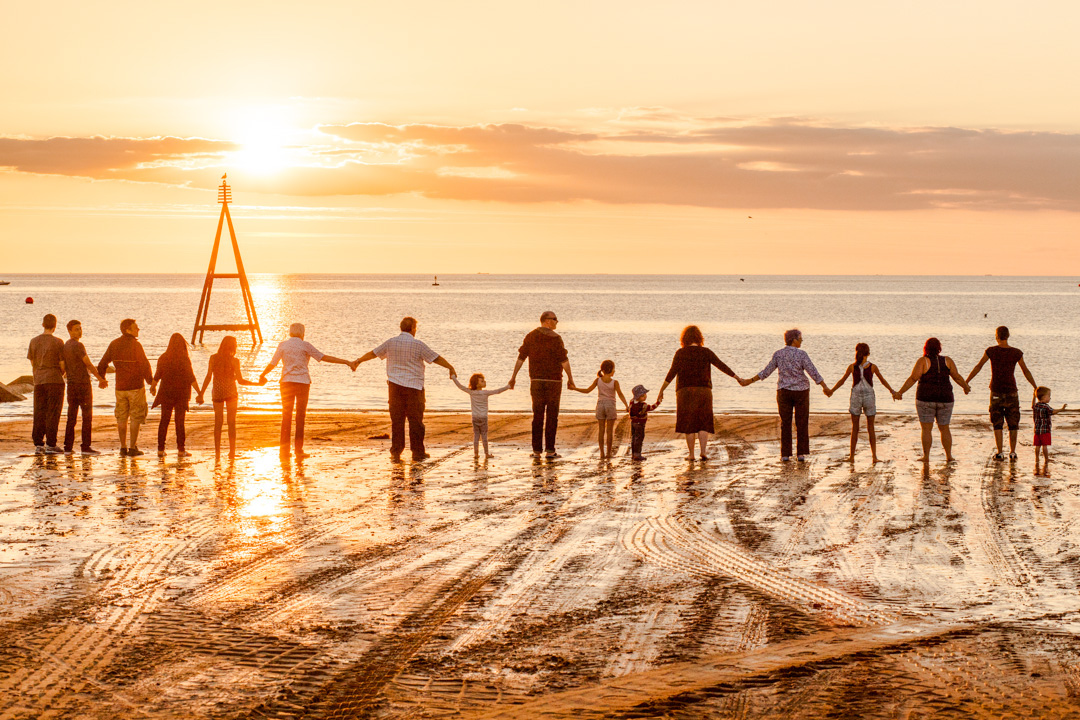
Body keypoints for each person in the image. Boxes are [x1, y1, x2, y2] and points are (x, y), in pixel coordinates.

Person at [355, 317, 455, 462]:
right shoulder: (418, 345)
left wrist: (358, 361)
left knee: (397, 420)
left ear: (401, 327)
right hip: (414, 387)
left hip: (395, 387)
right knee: (416, 421)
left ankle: (396, 451)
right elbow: (436, 358)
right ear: (413, 328)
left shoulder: (391, 342)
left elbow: (373, 353)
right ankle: (417, 452)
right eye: (415, 328)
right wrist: (450, 367)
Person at [260, 323, 355, 459]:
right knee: (300, 417)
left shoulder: (283, 345)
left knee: (286, 417)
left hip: (286, 382)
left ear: (290, 332)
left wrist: (263, 375)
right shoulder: (305, 345)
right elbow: (324, 357)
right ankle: (298, 450)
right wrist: (346, 362)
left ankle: (284, 451)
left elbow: (272, 363)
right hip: (303, 383)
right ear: (302, 333)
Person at [657, 325, 746, 461]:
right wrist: (737, 378)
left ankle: (691, 454)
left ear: (684, 338)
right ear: (699, 338)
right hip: (703, 391)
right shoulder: (706, 352)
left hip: (685, 391)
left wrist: (661, 390)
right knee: (703, 422)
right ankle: (703, 452)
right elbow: (721, 365)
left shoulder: (680, 353)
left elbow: (672, 373)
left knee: (689, 423)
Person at [741, 328, 830, 462]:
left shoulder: (778, 354)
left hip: (784, 392)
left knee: (785, 423)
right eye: (800, 339)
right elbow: (813, 372)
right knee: (802, 422)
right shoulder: (802, 354)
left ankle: (785, 454)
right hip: (801, 391)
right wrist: (825, 387)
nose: (802, 341)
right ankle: (800, 453)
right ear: (794, 340)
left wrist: (750, 380)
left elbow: (766, 371)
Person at [509, 311, 576, 459]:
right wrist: (570, 379)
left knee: (538, 415)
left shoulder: (531, 336)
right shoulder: (556, 339)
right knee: (552, 416)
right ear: (546, 321)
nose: (557, 322)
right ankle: (550, 451)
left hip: (537, 382)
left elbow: (521, 357)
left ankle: (537, 451)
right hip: (553, 382)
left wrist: (513, 377)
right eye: (554, 319)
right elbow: (564, 361)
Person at [965, 326, 1037, 461]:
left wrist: (966, 382)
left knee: (997, 422)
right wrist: (1035, 386)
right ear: (1008, 336)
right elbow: (1025, 371)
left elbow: (978, 366)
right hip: (1012, 392)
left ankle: (999, 452)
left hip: (996, 391)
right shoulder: (1016, 352)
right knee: (1013, 422)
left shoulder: (991, 351)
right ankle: (1013, 452)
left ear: (996, 336)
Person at [895, 338, 971, 463]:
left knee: (926, 429)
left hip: (926, 399)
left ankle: (926, 456)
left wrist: (900, 392)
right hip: (945, 399)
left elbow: (913, 378)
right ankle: (949, 456)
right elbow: (956, 377)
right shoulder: (947, 361)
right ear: (939, 348)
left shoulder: (923, 361)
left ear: (926, 348)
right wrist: (965, 387)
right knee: (945, 428)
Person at [828, 343, 901, 463]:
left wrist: (831, 391)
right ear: (868, 353)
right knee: (870, 427)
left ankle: (852, 457)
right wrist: (893, 392)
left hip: (855, 396)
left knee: (855, 428)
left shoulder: (852, 367)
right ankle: (874, 457)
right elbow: (883, 381)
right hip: (869, 397)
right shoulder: (872, 367)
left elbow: (842, 381)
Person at [97, 318, 155, 456]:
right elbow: (144, 365)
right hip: (135, 386)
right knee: (135, 416)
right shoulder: (136, 345)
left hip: (120, 387)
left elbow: (102, 363)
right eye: (136, 328)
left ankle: (123, 447)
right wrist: (151, 382)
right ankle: (132, 447)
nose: (138, 330)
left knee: (121, 417)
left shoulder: (114, 344)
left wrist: (102, 379)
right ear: (127, 330)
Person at [200, 335, 261, 457]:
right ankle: (232, 451)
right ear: (232, 346)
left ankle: (217, 452)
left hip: (217, 391)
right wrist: (257, 384)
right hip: (230, 392)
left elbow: (208, 377)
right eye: (236, 344)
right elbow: (240, 380)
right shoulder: (234, 361)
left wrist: (201, 394)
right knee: (231, 422)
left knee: (218, 422)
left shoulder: (213, 358)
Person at [151, 333, 202, 457]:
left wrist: (153, 387)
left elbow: (157, 375)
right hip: (181, 394)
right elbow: (191, 377)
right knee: (180, 422)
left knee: (164, 421)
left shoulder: (163, 357)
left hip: (166, 393)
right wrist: (199, 393)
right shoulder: (184, 358)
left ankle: (160, 449)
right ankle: (181, 450)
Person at [62, 319, 107, 455]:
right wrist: (100, 378)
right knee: (86, 417)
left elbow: (63, 367)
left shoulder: (65, 346)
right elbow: (88, 363)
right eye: (76, 329)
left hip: (71, 385)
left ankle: (68, 447)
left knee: (72, 416)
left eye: (80, 328)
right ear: (69, 331)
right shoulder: (78, 345)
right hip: (82, 385)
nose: (80, 331)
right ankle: (85, 446)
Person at [574, 360, 630, 459]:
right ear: (611, 370)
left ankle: (602, 453)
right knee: (609, 431)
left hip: (600, 405)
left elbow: (587, 390)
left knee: (601, 430)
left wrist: (575, 388)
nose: (614, 371)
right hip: (610, 405)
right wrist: (626, 405)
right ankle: (608, 453)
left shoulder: (598, 380)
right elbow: (620, 394)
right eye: (614, 369)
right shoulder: (614, 382)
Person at [27, 314, 66, 454]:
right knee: (53, 412)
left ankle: (38, 443)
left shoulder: (34, 341)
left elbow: (32, 362)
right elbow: (62, 364)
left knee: (39, 411)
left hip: (39, 380)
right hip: (54, 379)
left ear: (42, 324)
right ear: (55, 326)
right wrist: (62, 373)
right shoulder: (58, 342)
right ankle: (51, 443)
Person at [452, 372, 510, 458]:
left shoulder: (471, 392)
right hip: (483, 417)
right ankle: (486, 454)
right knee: (484, 436)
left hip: (475, 417)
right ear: (477, 384)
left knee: (476, 436)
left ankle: (476, 454)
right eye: (482, 381)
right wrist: (508, 386)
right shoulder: (485, 393)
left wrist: (453, 377)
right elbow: (498, 391)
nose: (484, 382)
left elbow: (460, 386)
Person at [1032, 386, 1066, 472]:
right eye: (1049, 396)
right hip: (1045, 430)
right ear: (1044, 397)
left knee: (1037, 446)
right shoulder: (1046, 407)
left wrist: (1033, 396)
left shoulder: (1036, 406)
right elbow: (1053, 411)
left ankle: (1037, 459)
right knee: (1045, 446)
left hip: (1037, 430)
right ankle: (1046, 459)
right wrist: (1062, 409)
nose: (1050, 398)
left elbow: (1032, 405)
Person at [628, 384, 661, 461]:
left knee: (634, 438)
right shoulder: (643, 405)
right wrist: (658, 402)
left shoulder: (632, 402)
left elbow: (629, 410)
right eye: (643, 395)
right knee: (639, 438)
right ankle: (637, 455)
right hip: (640, 423)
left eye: (645, 395)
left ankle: (634, 454)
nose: (645, 396)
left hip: (633, 423)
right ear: (639, 397)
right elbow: (652, 407)